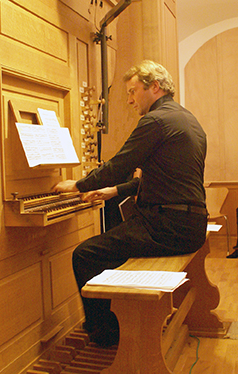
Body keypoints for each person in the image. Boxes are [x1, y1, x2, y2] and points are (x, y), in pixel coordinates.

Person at [52, 60, 208, 347]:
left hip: (167, 227)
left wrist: (78, 185)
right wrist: (114, 190)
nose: (129, 99)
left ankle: (108, 336)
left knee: (86, 254)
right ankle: (119, 323)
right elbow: (164, 180)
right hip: (188, 224)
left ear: (155, 87)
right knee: (111, 245)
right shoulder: (187, 120)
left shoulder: (154, 121)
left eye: (133, 91)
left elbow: (120, 162)